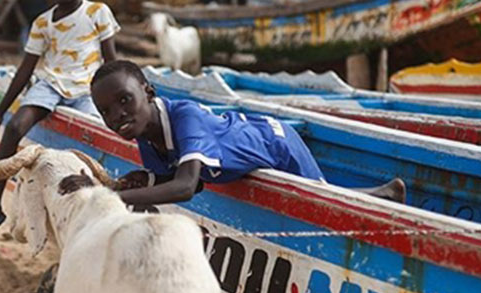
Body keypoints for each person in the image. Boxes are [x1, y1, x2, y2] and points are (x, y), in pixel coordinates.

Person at [89, 60, 405, 208]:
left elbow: (184, 187)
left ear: (149, 92)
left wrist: (112, 198)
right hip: (250, 135)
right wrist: (132, 182)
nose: (117, 115)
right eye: (105, 111)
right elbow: (188, 183)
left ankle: (387, 193)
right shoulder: (147, 135)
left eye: (124, 100)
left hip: (275, 143)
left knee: (323, 200)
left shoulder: (184, 115)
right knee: (321, 195)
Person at [0, 0, 120, 239]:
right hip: (51, 84)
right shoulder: (42, 23)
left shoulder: (97, 12)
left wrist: (117, 99)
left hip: (88, 87)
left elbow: (112, 61)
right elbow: (25, 69)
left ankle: (94, 210)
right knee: (14, 128)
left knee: (94, 141)